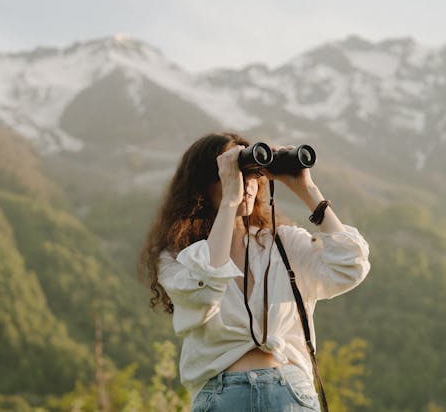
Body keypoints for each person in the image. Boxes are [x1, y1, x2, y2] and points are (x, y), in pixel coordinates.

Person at [140, 132, 371, 411]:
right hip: (222, 397)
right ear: (204, 183)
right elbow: (205, 289)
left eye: (252, 174)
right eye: (236, 173)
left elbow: (351, 264)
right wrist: (229, 202)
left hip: (291, 394)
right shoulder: (178, 258)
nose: (247, 184)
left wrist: (306, 189)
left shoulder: (283, 244)